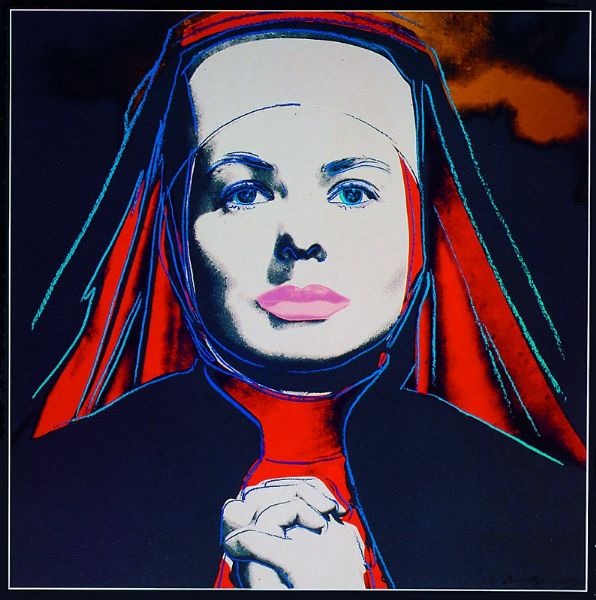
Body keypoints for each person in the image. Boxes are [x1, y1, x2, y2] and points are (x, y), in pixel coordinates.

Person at [12, 11, 586, 589]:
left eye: (353, 192)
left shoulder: (543, 507)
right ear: (175, 230)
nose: (302, 238)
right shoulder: (40, 498)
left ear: (421, 227)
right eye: (244, 193)